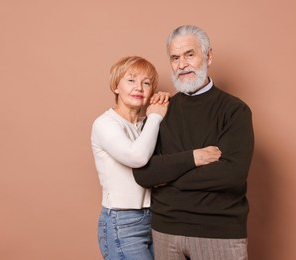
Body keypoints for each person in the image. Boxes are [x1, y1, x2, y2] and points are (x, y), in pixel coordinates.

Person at [133, 25, 255, 260]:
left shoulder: (234, 110)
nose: (182, 65)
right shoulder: (161, 110)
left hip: (218, 233)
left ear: (208, 56)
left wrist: (167, 177)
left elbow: (233, 173)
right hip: (165, 231)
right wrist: (194, 159)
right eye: (175, 58)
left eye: (190, 54)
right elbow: (144, 174)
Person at [91, 56, 221, 260]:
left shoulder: (148, 123)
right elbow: (137, 158)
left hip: (157, 218)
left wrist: (162, 110)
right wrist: (155, 116)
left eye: (146, 83)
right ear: (116, 86)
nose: (139, 88)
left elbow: (168, 160)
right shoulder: (105, 123)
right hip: (122, 222)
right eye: (131, 80)